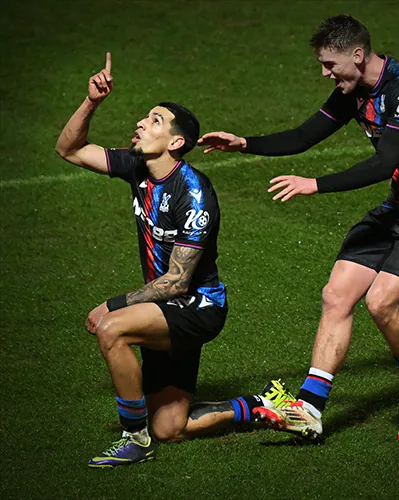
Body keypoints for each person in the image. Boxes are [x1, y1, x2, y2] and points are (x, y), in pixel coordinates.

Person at [198, 15, 399, 441]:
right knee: (336, 294)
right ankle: (310, 408)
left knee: (381, 302)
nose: (325, 73)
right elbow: (306, 135)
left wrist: (314, 184)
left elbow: (385, 164)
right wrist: (245, 143)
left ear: (358, 56)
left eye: (330, 64)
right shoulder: (354, 88)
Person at [55, 53, 295, 467]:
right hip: (164, 306)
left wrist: (112, 305)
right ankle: (259, 405)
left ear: (175, 142)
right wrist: (91, 101)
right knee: (171, 427)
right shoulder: (137, 167)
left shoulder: (194, 193)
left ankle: (134, 441)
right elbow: (70, 149)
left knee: (111, 329)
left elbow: (178, 281)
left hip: (197, 307)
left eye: (154, 121)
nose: (141, 124)